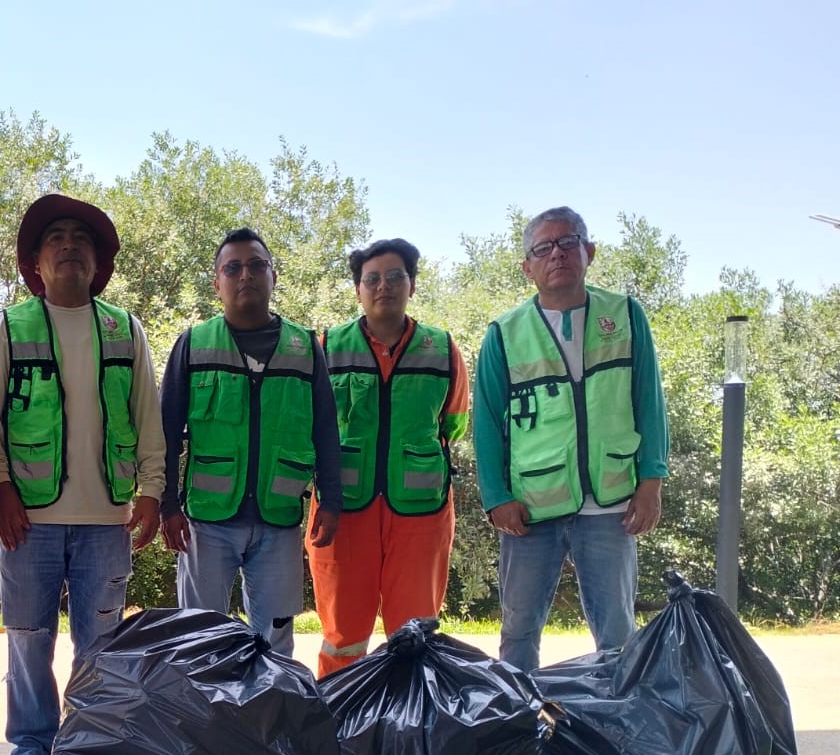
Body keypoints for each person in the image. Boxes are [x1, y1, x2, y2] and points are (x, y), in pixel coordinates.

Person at [0, 194, 165, 755]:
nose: (68, 245)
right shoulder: (11, 327)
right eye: (55, 237)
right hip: (28, 517)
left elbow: (148, 418)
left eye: (80, 238)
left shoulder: (125, 329)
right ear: (37, 260)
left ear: (97, 259)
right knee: (28, 638)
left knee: (101, 643)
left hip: (105, 518)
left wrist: (153, 491)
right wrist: (1, 486)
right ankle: (31, 750)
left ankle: (89, 751)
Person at [473, 206, 669, 672]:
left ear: (589, 251)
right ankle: (518, 731)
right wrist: (496, 496)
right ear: (527, 267)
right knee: (518, 631)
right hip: (530, 506)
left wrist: (651, 481)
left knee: (618, 633)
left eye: (568, 242)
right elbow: (485, 421)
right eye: (543, 248)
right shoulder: (504, 333)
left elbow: (650, 401)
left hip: (611, 504)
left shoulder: (624, 315)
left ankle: (617, 729)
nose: (556, 254)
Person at [160, 227, 342, 657]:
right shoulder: (194, 344)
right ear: (217, 282)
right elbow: (165, 430)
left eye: (257, 265)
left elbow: (326, 429)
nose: (246, 275)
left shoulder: (304, 348)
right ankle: (203, 722)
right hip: (206, 521)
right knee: (198, 636)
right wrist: (167, 504)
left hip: (277, 519)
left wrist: (331, 499)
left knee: (275, 639)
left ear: (273, 276)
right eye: (234, 267)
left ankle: (268, 723)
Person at [307, 238, 470, 678]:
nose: (384, 287)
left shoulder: (443, 350)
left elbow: (454, 423)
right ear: (358, 289)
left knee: (416, 633)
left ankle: (412, 726)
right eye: (372, 279)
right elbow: (310, 426)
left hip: (420, 513)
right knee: (343, 634)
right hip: (343, 511)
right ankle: (339, 722)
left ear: (412, 285)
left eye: (395, 276)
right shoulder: (328, 347)